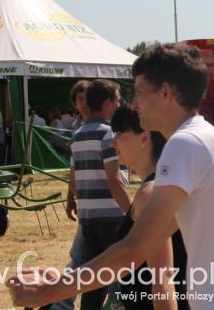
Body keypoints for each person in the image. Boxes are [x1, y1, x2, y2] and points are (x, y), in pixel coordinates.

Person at [9, 43, 214, 310]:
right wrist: (61, 281)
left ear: (166, 93)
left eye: (140, 92)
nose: (133, 104)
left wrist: (48, 292)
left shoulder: (186, 144)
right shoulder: (206, 139)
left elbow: (133, 250)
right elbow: (147, 244)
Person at [110, 105, 188, 310]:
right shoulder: (165, 187)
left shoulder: (150, 194)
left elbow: (163, 279)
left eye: (119, 133)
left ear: (144, 138)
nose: (112, 142)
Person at [70, 79, 130, 310]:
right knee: (126, 277)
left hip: (88, 218)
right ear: (107, 104)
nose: (119, 104)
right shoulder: (109, 134)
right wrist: (132, 213)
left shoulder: (77, 135)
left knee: (94, 281)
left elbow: (74, 180)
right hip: (111, 217)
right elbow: (114, 181)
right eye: (117, 100)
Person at [52, 80, 91, 310]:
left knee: (81, 257)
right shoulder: (76, 128)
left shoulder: (108, 126)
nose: (83, 103)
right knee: (81, 257)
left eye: (87, 97)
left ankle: (62, 303)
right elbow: (73, 167)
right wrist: (70, 198)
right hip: (87, 203)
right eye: (79, 98)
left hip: (101, 204)